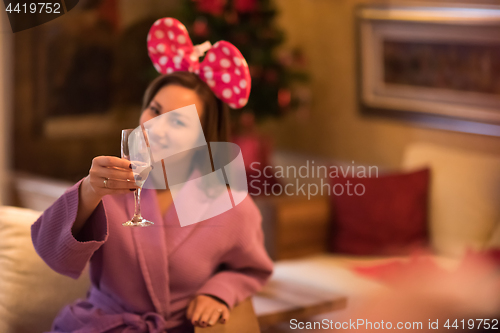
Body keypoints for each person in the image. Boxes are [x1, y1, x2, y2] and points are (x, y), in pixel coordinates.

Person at [31, 17, 273, 333]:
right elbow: (53, 255)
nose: (155, 127)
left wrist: (219, 293)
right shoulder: (108, 184)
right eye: (155, 110)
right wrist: (89, 191)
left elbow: (252, 271)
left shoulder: (231, 206)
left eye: (178, 122)